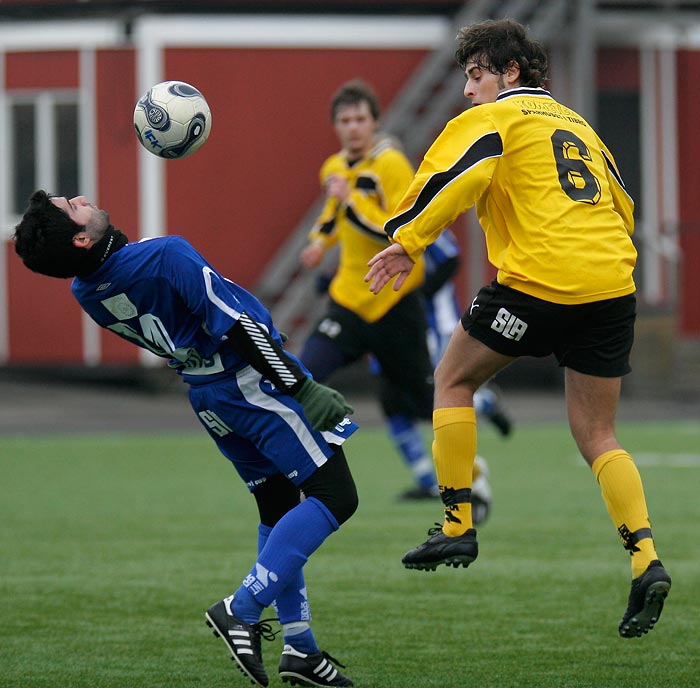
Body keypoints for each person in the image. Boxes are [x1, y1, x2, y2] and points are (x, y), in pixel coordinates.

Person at [365, 19, 670, 638]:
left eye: (477, 75)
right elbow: (623, 204)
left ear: (511, 75)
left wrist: (406, 239)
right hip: (612, 283)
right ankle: (645, 559)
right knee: (597, 432)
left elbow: (456, 177)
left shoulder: (496, 118)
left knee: (451, 379)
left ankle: (456, 525)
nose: (469, 89)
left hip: (539, 283)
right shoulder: (577, 123)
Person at [14, 190, 359, 687]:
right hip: (249, 382)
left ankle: (300, 648)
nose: (83, 198)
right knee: (336, 496)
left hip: (207, 396)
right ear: (82, 237)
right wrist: (300, 385)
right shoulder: (166, 253)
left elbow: (120, 268)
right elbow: (237, 325)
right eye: (74, 207)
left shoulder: (85, 290)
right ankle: (241, 608)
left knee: (279, 508)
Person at [297, 78, 438, 502]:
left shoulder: (392, 165)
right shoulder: (333, 167)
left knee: (423, 401)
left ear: (375, 122)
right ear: (335, 126)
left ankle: (467, 461)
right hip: (351, 299)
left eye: (361, 119)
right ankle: (310, 471)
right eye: (345, 120)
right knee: (304, 379)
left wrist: (353, 202)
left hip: (395, 299)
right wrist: (319, 243)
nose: (353, 127)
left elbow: (398, 232)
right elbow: (332, 213)